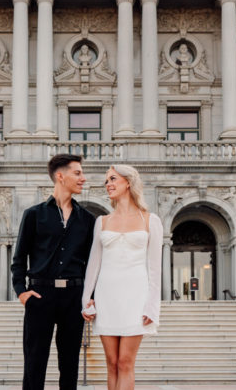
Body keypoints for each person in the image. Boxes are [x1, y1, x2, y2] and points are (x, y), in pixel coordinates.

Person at [11, 154, 96, 390]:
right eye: (77, 173)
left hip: (73, 296)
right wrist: (22, 292)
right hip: (40, 295)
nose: (83, 178)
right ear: (60, 176)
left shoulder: (87, 220)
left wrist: (91, 296)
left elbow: (92, 263)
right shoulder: (34, 214)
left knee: (69, 365)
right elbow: (19, 259)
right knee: (34, 364)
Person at [82, 164, 162, 390]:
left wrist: (152, 306)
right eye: (107, 180)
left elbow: (155, 268)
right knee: (112, 363)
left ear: (128, 182)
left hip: (136, 297)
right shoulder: (102, 222)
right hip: (107, 297)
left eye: (113, 179)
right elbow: (93, 265)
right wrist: (85, 299)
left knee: (126, 362)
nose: (108, 184)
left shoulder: (150, 220)